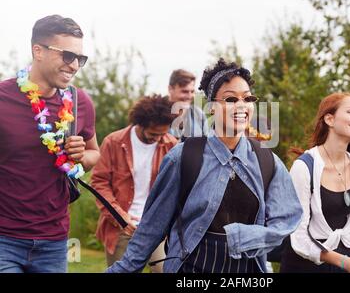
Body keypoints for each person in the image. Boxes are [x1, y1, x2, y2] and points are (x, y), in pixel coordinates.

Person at [107, 58, 302, 273]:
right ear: (211, 108)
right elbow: (152, 227)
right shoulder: (183, 157)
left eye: (247, 98)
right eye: (230, 99)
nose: (241, 106)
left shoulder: (266, 160)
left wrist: (245, 238)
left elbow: (288, 219)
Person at [0, 14, 99, 273]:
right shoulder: (2, 99)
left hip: (54, 242)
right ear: (38, 51)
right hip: (3, 239)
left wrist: (81, 156)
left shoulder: (81, 103)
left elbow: (94, 154)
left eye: (80, 58)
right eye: (68, 55)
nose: (75, 65)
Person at [281, 92, 350, 273]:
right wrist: (344, 262)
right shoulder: (303, 167)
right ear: (329, 119)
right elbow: (298, 236)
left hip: (344, 263)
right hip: (305, 265)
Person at [91, 94, 178, 273]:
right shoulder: (113, 142)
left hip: (157, 226)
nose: (159, 138)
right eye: (154, 134)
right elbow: (99, 184)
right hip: (121, 227)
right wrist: (120, 217)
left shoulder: (172, 145)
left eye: (163, 133)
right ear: (141, 124)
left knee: (166, 270)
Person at [168, 69, 208, 140]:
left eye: (192, 91)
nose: (189, 96)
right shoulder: (158, 114)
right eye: (184, 91)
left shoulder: (198, 114)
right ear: (170, 89)